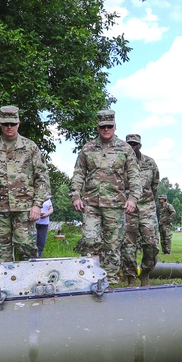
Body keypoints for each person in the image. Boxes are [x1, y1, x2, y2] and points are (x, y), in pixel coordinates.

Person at [0, 105, 51, 263]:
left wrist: (37, 205)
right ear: (0, 124)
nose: (9, 127)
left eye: (12, 124)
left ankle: (27, 286)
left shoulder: (30, 148)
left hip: (25, 209)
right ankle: (2, 287)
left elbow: (42, 178)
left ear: (18, 123)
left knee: (28, 251)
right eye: (6, 123)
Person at [70, 110, 142, 286]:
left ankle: (109, 281)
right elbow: (78, 174)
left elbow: (134, 176)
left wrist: (133, 198)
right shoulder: (87, 148)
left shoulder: (125, 149)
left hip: (115, 205)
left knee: (112, 245)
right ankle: (88, 279)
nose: (106, 129)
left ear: (115, 127)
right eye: (103, 127)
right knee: (90, 241)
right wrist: (75, 196)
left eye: (109, 126)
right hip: (91, 204)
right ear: (98, 127)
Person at [122, 134, 160, 285]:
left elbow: (155, 184)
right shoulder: (120, 163)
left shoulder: (150, 163)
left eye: (135, 144)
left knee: (151, 244)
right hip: (127, 208)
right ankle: (130, 277)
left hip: (147, 207)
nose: (132, 146)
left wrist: (148, 201)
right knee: (127, 245)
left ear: (140, 146)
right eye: (129, 144)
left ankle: (145, 273)